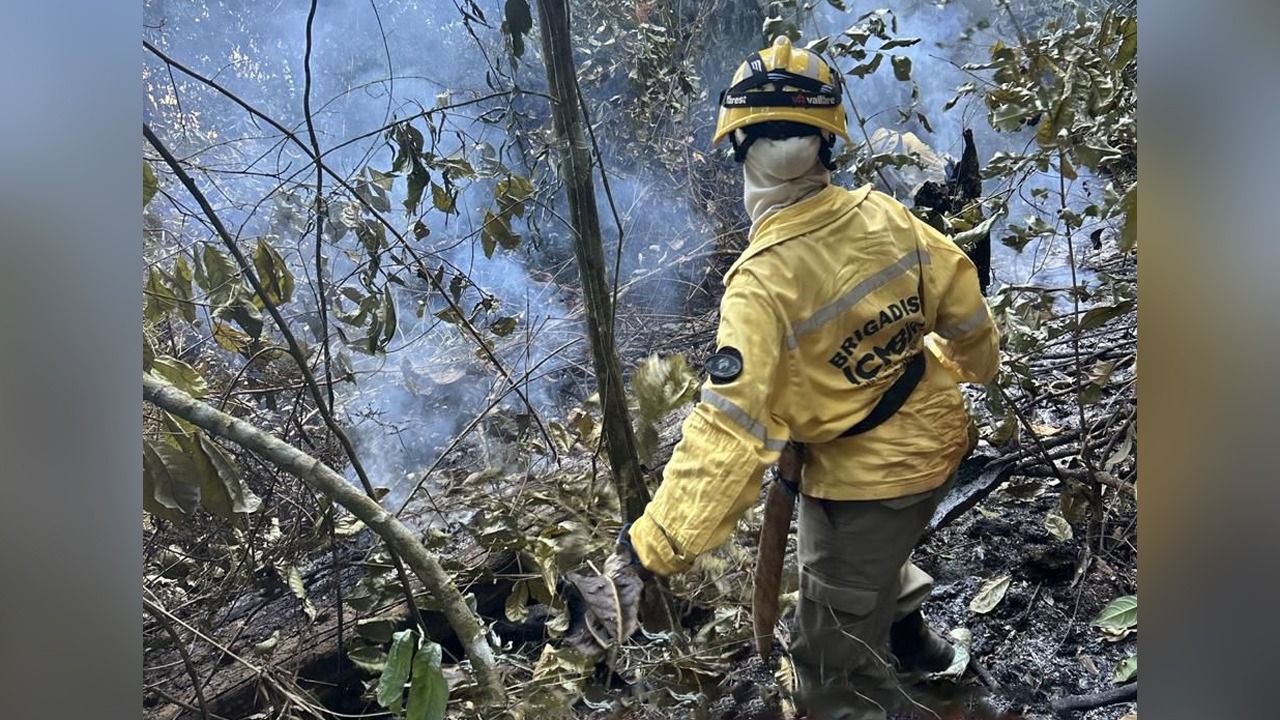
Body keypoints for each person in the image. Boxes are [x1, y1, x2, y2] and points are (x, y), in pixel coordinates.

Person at [610, 35, 1001, 719]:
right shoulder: (883, 214)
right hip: (936, 435)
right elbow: (966, 311)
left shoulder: (760, 285)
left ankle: (896, 692)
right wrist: (978, 371)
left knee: (825, 676)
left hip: (869, 477)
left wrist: (652, 545)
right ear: (829, 146)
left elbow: (729, 435)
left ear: (736, 150)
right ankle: (917, 648)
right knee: (862, 552)